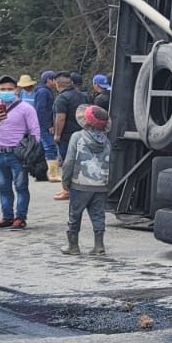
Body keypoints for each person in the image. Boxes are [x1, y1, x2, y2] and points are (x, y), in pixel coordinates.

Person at [0, 75, 40, 228]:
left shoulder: (26, 108)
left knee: (21, 186)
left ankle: (20, 217)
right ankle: (7, 217)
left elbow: (35, 132)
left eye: (9, 89)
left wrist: (31, 153)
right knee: (3, 186)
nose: (6, 92)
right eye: (3, 89)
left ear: (16, 90)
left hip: (17, 154)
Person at [61, 105, 111, 256]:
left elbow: (69, 161)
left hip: (80, 184)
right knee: (98, 215)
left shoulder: (77, 137)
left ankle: (73, 246)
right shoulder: (107, 142)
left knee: (75, 215)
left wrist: (65, 180)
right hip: (101, 185)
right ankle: (99, 246)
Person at [31, 70, 58, 164]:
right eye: (55, 80)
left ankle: (40, 167)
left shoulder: (47, 91)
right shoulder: (43, 92)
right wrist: (48, 125)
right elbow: (40, 110)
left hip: (44, 124)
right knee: (50, 147)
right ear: (49, 80)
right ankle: (52, 170)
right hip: (43, 125)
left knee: (42, 147)